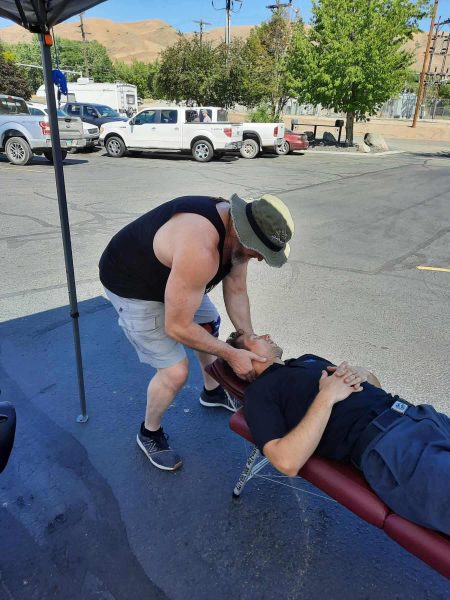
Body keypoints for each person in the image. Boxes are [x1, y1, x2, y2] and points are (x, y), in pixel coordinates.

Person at [99, 194, 294, 471]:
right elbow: (176, 326)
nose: (261, 258)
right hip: (132, 285)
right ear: (243, 234)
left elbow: (237, 291)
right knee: (175, 371)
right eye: (260, 250)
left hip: (177, 276)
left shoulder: (240, 238)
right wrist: (231, 353)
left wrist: (248, 342)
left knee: (208, 322)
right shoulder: (201, 248)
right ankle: (149, 432)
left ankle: (212, 391)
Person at [225, 331, 450, 535]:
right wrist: (327, 396)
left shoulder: (307, 359)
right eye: (255, 338)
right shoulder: (260, 394)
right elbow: (286, 461)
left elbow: (372, 387)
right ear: (242, 359)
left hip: (420, 416)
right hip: (392, 447)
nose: (266, 335)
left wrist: (364, 374)